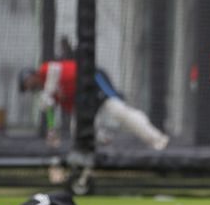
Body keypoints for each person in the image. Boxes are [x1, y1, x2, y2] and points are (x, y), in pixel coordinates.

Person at [18, 58, 169, 150]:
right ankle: (101, 146)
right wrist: (52, 127)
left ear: (31, 75)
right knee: (77, 128)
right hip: (83, 99)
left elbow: (55, 68)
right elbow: (73, 108)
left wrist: (49, 91)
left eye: (28, 83)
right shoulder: (50, 96)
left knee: (118, 110)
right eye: (27, 88)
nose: (30, 87)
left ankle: (158, 140)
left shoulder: (44, 71)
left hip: (93, 80)